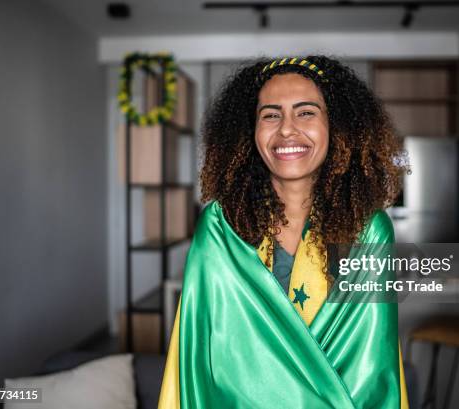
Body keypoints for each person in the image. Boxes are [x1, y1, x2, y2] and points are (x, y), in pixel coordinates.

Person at [158, 56, 409, 409]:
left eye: (306, 112)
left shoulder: (369, 231)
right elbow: (197, 357)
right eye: (271, 115)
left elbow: (372, 370)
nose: (287, 129)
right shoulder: (219, 226)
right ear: (251, 133)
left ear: (336, 127)